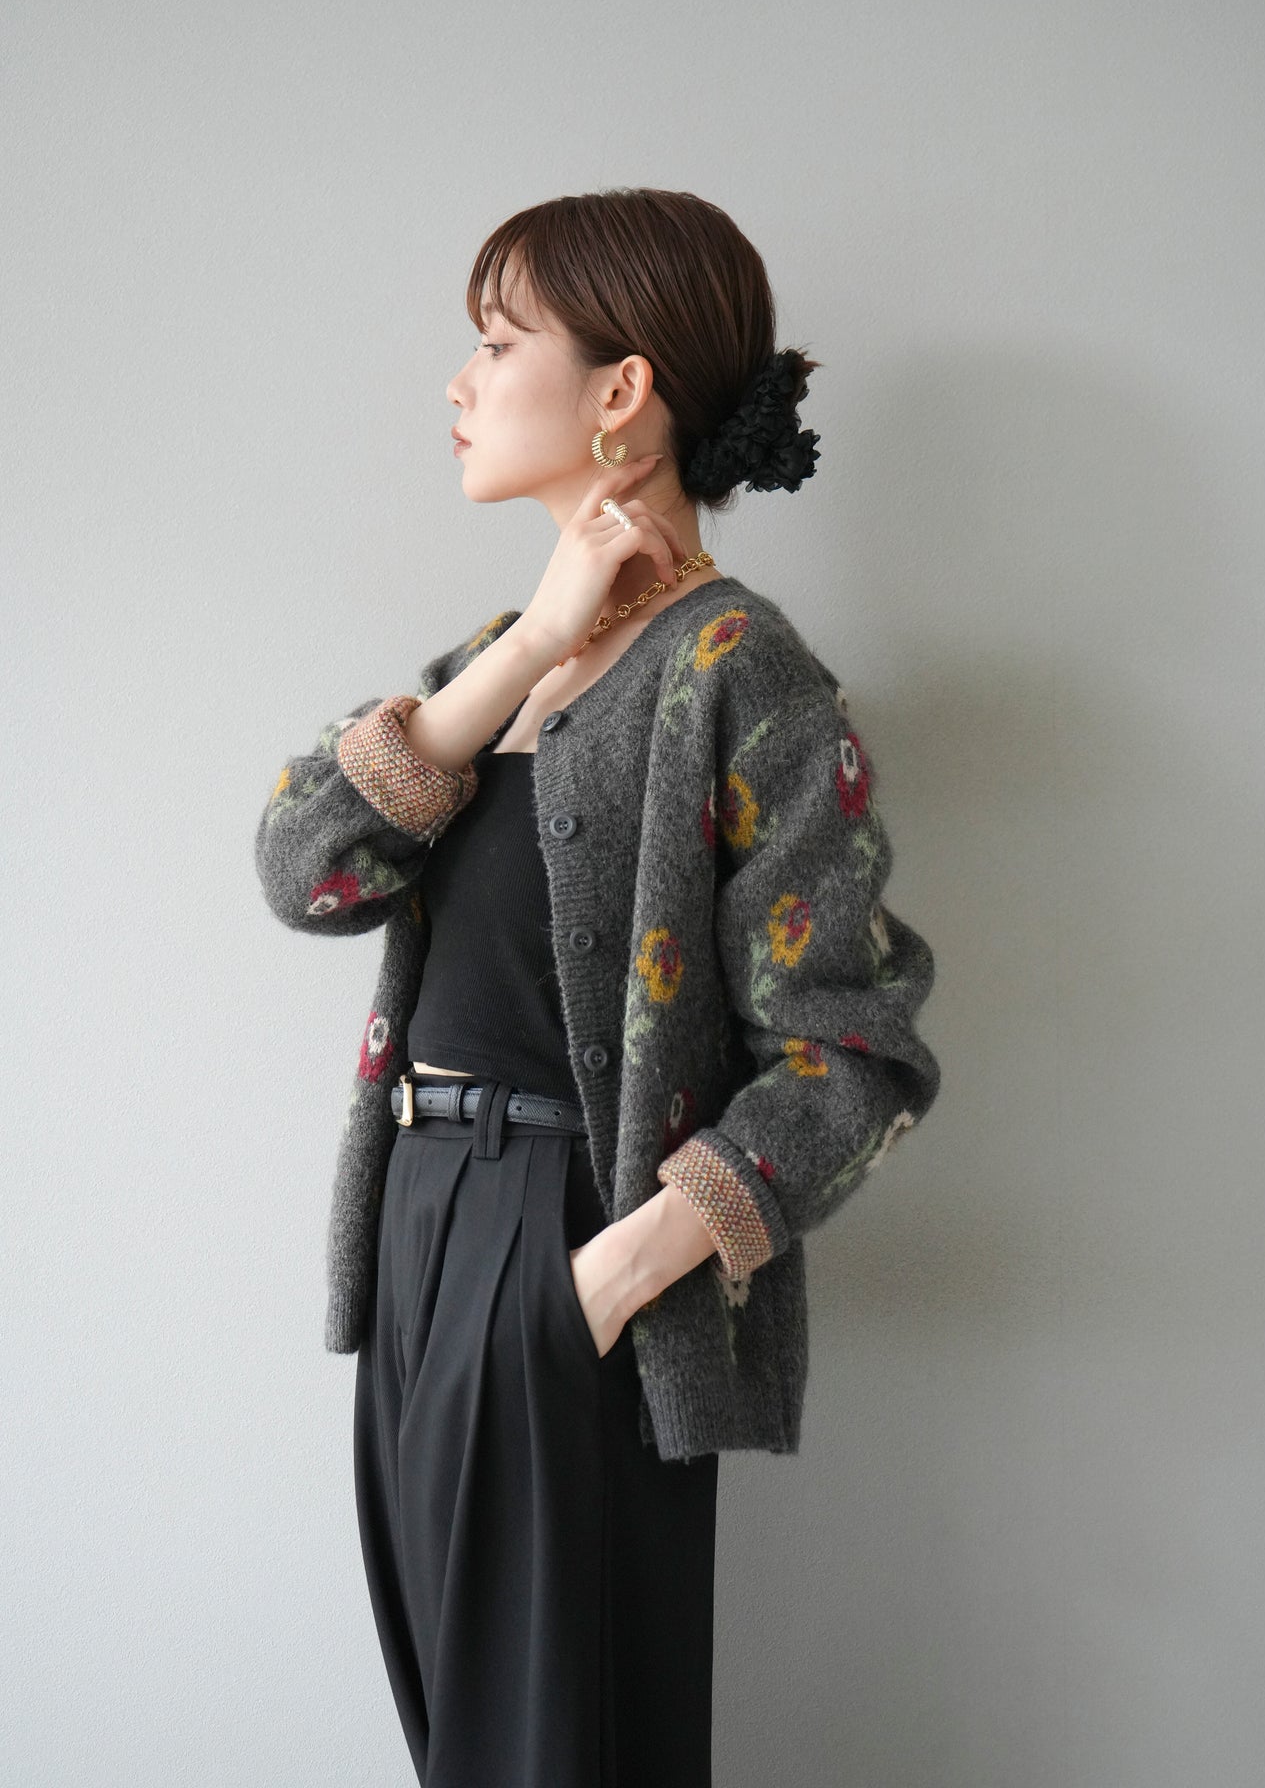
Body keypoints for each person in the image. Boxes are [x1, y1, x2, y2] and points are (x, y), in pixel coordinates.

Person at [254, 186, 941, 1788]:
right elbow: (306, 873)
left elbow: (853, 1055)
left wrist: (607, 1280)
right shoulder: (495, 663)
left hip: (562, 1249)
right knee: (470, 1748)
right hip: (420, 1236)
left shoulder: (742, 672)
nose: (459, 381)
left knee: (546, 1757)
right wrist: (529, 643)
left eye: (498, 344)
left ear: (619, 389)